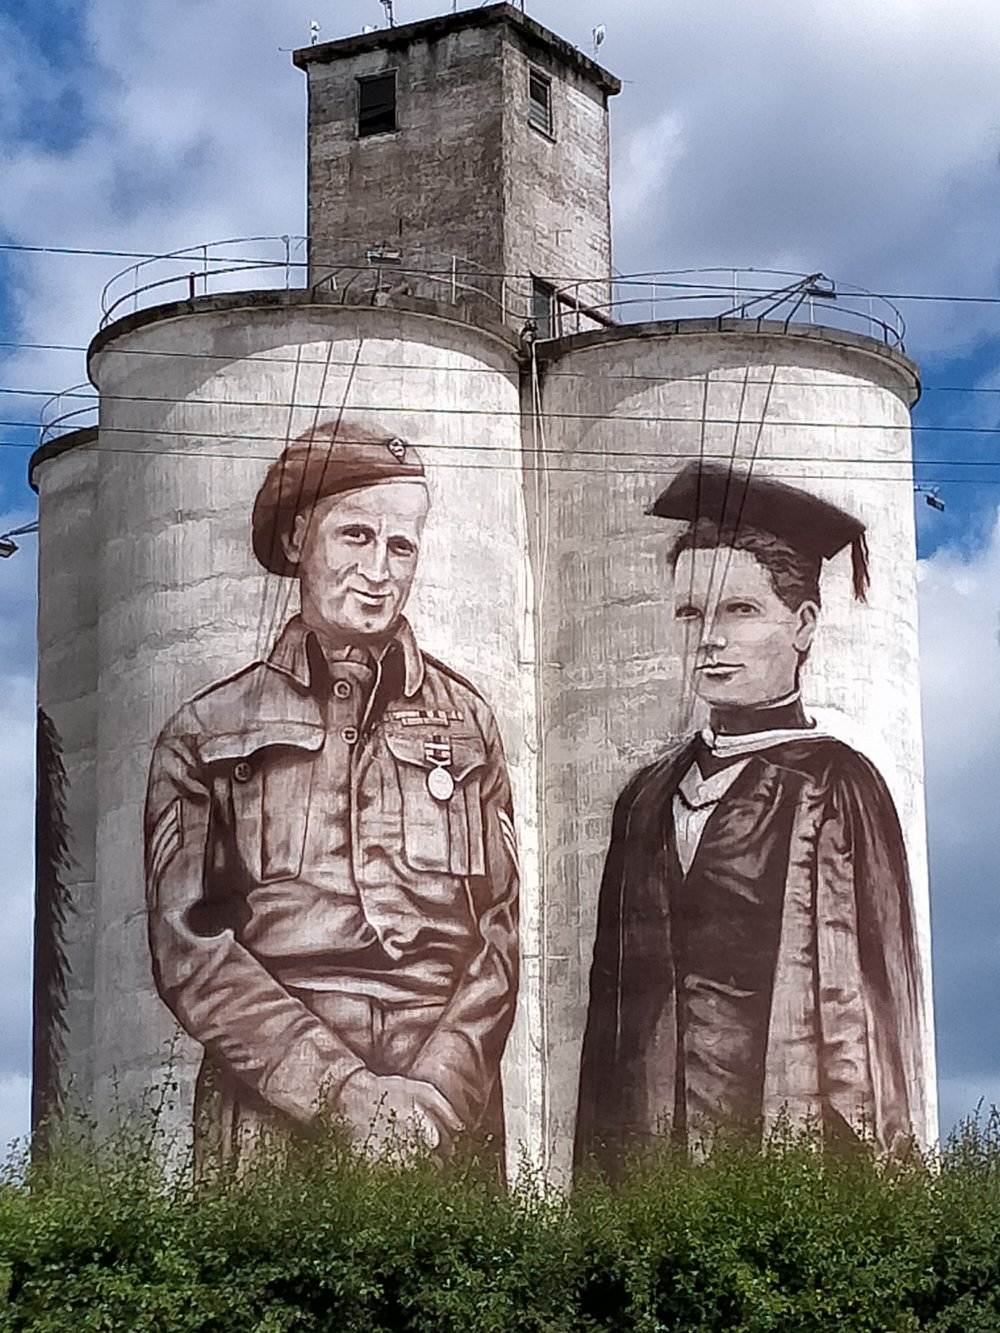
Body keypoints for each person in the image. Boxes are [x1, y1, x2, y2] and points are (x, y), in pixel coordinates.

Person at [144, 421, 519, 1163]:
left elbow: (499, 935)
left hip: (441, 1116)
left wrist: (438, 1094)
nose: (379, 569)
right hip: (272, 1110)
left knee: (465, 1283)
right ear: (296, 541)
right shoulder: (205, 731)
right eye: (355, 536)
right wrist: (340, 1091)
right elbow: (187, 947)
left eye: (401, 546)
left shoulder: (471, 722)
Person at [574, 461, 924, 1168]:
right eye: (690, 613)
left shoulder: (837, 784)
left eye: (739, 610)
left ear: (802, 624)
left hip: (780, 1166)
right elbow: (611, 1016)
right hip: (650, 1175)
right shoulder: (645, 797)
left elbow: (867, 1010)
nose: (709, 638)